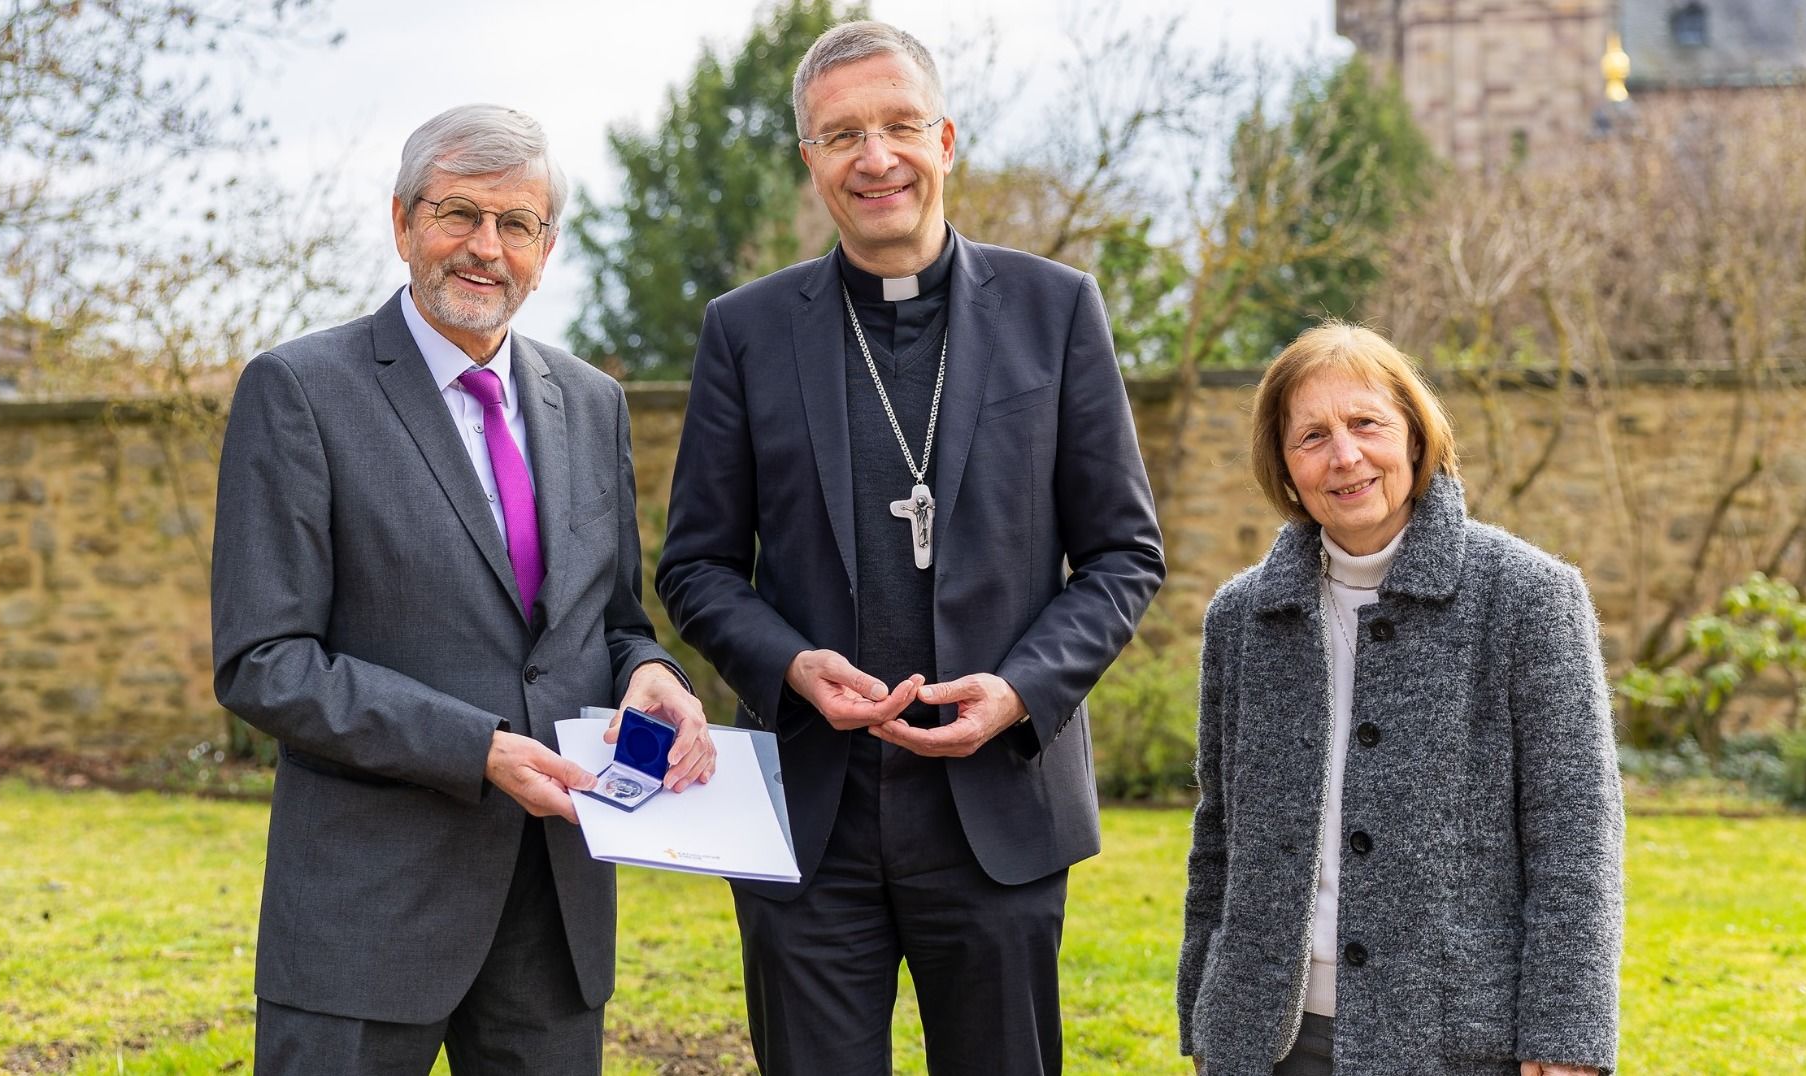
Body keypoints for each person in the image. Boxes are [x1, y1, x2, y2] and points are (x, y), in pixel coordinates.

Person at [655, 19, 1165, 1076]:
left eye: (896, 126)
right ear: (810, 161)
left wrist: (1021, 687)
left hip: (997, 808)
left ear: (944, 139)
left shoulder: (1055, 310)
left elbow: (1122, 553)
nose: (873, 157)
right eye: (841, 135)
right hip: (809, 817)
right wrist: (790, 663)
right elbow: (695, 566)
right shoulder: (743, 332)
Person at [211, 104, 713, 1075]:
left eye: (516, 223)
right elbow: (263, 660)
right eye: (457, 214)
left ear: (546, 246)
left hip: (554, 913)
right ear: (402, 222)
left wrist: (651, 670)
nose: (486, 247)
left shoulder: (592, 402)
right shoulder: (301, 391)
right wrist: (473, 747)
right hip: (368, 913)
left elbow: (609, 618)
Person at [1176, 322, 1622, 1076]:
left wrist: (1565, 1036)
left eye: (1365, 424)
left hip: (1455, 1037)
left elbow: (1576, 838)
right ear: (1283, 466)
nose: (1343, 456)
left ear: (1415, 436)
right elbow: (1219, 831)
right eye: (1310, 436)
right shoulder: (1241, 615)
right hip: (1265, 1038)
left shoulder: (1527, 597)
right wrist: (1205, 1009)